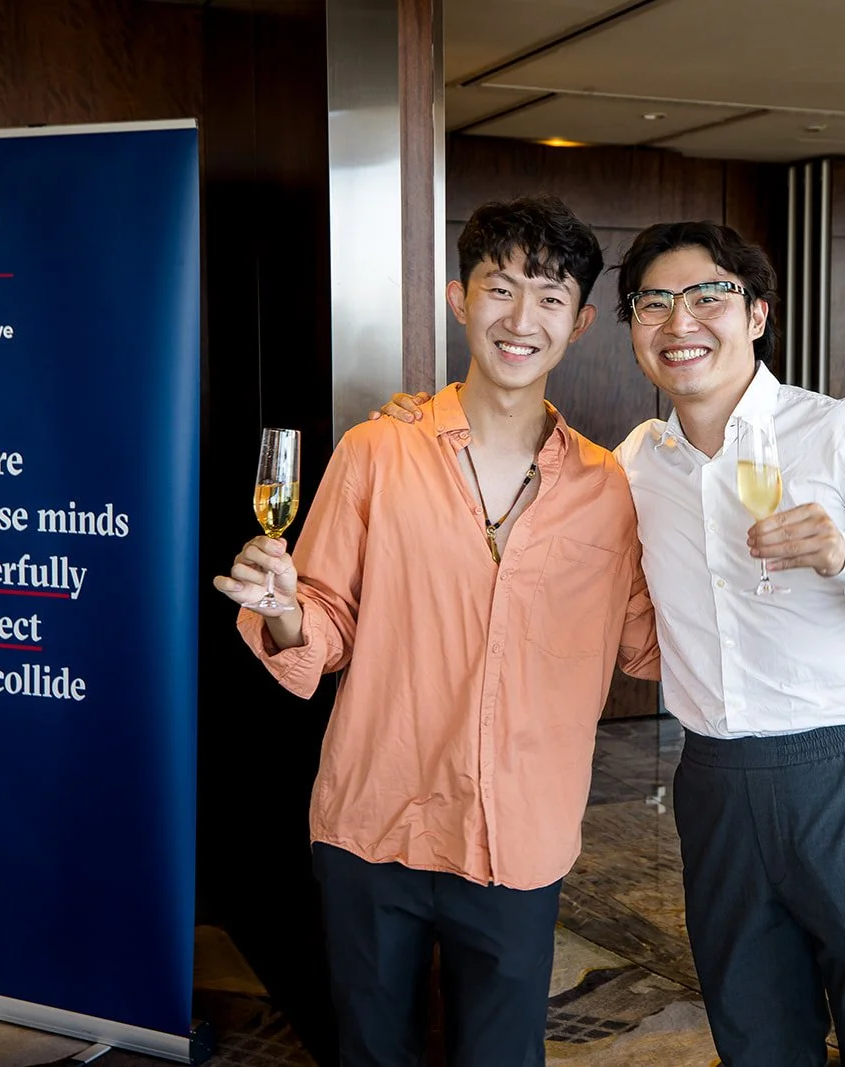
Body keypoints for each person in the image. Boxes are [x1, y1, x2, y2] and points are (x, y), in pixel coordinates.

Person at [378, 220, 845, 1066]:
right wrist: (415, 418)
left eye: (708, 297)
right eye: (653, 303)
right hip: (714, 780)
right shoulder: (633, 465)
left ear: (758, 314)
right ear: (629, 331)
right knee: (754, 1029)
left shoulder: (841, 432)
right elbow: (528, 465)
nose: (679, 322)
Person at [215, 194, 660, 1067]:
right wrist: (281, 610)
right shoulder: (377, 450)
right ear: (461, 298)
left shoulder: (608, 489)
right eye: (501, 289)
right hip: (376, 819)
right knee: (373, 1053)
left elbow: (647, 646)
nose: (520, 318)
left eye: (549, 296)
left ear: (581, 321)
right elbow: (325, 623)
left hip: (518, 836)